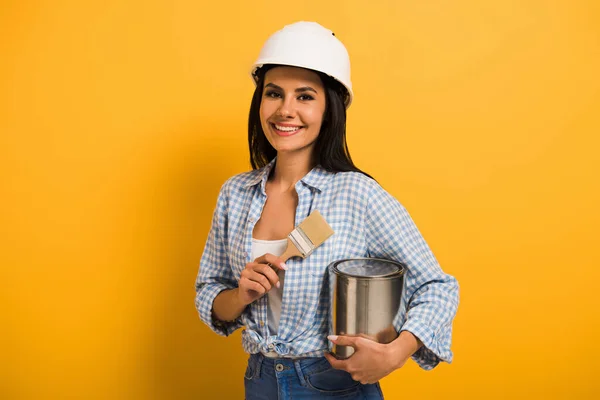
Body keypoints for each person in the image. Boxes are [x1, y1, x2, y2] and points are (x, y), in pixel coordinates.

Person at [195, 21, 459, 399]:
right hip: (260, 381)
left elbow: (438, 287)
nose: (285, 110)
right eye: (274, 93)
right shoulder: (235, 194)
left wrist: (396, 352)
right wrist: (241, 295)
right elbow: (211, 293)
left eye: (304, 97)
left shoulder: (357, 195)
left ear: (329, 108)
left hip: (334, 384)